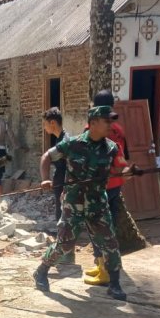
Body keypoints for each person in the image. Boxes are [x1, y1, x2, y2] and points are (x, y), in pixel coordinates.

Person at [33, 106, 131, 301]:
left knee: (110, 242)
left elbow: (120, 168)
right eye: (107, 121)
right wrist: (45, 178)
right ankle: (42, 270)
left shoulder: (111, 148)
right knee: (65, 244)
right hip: (73, 203)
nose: (111, 125)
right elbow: (46, 157)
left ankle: (115, 284)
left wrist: (128, 172)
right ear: (93, 123)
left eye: (111, 121)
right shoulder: (72, 144)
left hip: (97, 203)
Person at [84, 89, 129, 286]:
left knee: (96, 227)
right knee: (108, 226)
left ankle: (104, 269)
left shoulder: (93, 130)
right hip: (115, 184)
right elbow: (121, 159)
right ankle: (102, 264)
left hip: (99, 186)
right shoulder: (117, 129)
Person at [41, 107, 69, 222]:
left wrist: (45, 179)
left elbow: (45, 157)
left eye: (45, 124)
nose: (44, 127)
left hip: (64, 184)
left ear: (52, 123)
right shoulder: (60, 138)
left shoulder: (65, 141)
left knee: (63, 217)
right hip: (61, 182)